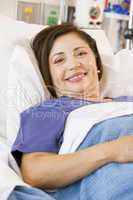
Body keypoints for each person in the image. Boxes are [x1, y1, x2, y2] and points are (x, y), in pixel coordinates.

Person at [10, 23, 133, 200]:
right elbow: (34, 172)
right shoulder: (48, 111)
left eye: (81, 53)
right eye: (59, 60)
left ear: (97, 63)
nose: (74, 64)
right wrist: (113, 150)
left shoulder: (125, 100)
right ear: (48, 75)